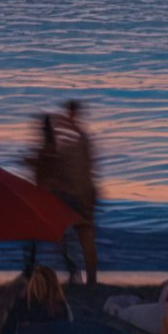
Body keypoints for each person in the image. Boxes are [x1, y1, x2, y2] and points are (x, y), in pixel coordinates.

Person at [51, 100, 103, 288]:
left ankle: (87, 277)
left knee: (82, 238)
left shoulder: (78, 138)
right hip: (79, 193)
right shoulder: (76, 137)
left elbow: (82, 166)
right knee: (71, 237)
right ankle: (82, 275)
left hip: (79, 194)